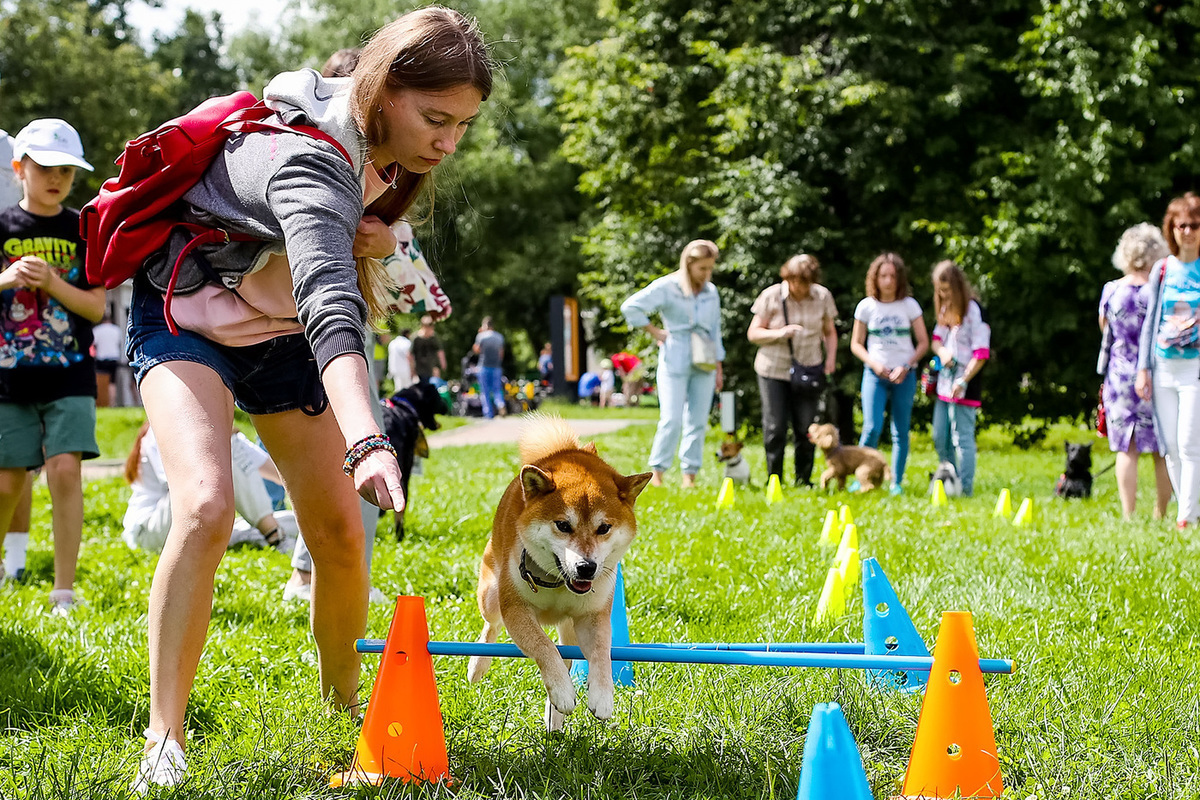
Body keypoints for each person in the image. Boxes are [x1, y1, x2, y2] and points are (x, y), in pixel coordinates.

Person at [121, 8, 493, 790]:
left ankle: (342, 711)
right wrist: (369, 440)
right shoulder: (307, 161)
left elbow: (362, 284)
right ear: (382, 90)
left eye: (464, 124)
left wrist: (387, 240)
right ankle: (164, 738)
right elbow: (332, 305)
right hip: (187, 310)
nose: (450, 143)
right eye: (436, 119)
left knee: (338, 531)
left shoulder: (387, 155)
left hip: (279, 327)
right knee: (206, 505)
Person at [0, 118, 102, 610]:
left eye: (66, 169)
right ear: (19, 168)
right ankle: (6, 565)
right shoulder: (2, 227)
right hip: (8, 375)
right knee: (6, 481)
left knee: (65, 469)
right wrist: (9, 278)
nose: (56, 178)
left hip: (71, 374)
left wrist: (53, 284)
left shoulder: (84, 229)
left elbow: (98, 307)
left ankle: (64, 588)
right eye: (45, 168)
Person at [621, 239, 724, 488]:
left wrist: (719, 367)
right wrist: (655, 332)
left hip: (705, 358)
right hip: (674, 355)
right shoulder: (668, 286)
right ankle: (658, 472)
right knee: (671, 418)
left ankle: (690, 475)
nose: (707, 274)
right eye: (702, 268)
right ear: (689, 265)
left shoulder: (711, 292)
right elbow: (630, 307)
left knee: (698, 419)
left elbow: (715, 330)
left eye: (710, 268)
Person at [122, 422, 297, 553]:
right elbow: (182, 484)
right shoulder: (161, 428)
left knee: (295, 524)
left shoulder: (226, 436)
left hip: (199, 525)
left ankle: (272, 529)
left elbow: (277, 473)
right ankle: (273, 534)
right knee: (219, 455)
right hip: (149, 532)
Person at [747, 254, 838, 487]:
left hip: (809, 368)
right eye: (795, 280)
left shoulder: (822, 296)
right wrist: (780, 333)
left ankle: (803, 480)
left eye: (805, 282)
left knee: (807, 427)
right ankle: (774, 479)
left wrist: (830, 360)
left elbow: (829, 331)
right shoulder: (772, 296)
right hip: (773, 369)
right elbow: (753, 333)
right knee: (775, 426)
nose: (799, 286)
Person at [1138, 193, 1200, 529]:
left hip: (1195, 369)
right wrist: (1142, 369)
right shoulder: (1163, 270)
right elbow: (1150, 321)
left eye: (1194, 225)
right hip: (1163, 367)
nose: (1188, 231)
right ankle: (1189, 507)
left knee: (1191, 444)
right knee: (1171, 447)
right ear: (1171, 229)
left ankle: (1185, 517)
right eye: (1181, 225)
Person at [1101, 224, 1171, 520]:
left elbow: (1105, 330)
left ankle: (1129, 515)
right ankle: (1161, 513)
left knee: (1125, 448)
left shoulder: (1112, 290)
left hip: (1118, 376)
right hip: (1155, 374)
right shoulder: (1159, 290)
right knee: (1161, 448)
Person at [849, 253, 928, 494]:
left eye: (893, 276)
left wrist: (906, 365)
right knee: (871, 427)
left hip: (904, 375)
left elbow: (923, 342)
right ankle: (861, 477)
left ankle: (896, 481)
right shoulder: (866, 306)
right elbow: (856, 343)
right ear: (875, 278)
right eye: (883, 276)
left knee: (900, 430)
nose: (888, 281)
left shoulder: (910, 306)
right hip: (875, 375)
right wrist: (873, 363)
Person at [930, 260, 990, 498]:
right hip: (944, 384)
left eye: (947, 290)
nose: (943, 295)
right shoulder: (945, 310)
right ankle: (948, 482)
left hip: (965, 383)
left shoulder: (974, 311)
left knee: (961, 437)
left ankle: (964, 489)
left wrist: (963, 380)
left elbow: (981, 352)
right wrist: (943, 352)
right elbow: (937, 339)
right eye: (939, 290)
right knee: (939, 436)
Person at [473, 316, 505, 418]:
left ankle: (488, 414)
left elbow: (476, 350)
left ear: (485, 325)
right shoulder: (500, 337)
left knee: (485, 391)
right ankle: (501, 404)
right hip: (496, 367)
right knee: (497, 389)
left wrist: (479, 334)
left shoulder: (481, 336)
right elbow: (501, 354)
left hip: (484, 366)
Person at [93, 310, 123, 407]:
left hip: (101, 358)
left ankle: (102, 402)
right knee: (112, 382)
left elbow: (93, 344)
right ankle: (112, 402)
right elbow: (119, 343)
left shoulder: (97, 330)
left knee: (101, 381)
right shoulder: (116, 330)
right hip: (113, 358)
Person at [411, 313, 447, 383]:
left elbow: (440, 351)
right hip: (419, 368)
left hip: (433, 368)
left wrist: (443, 363)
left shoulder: (434, 338)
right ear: (423, 326)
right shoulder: (416, 338)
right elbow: (410, 354)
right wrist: (412, 369)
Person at [387, 326, 414, 391]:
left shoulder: (392, 343)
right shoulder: (407, 343)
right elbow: (409, 357)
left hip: (394, 369)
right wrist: (413, 369)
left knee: (398, 389)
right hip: (406, 369)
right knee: (408, 389)